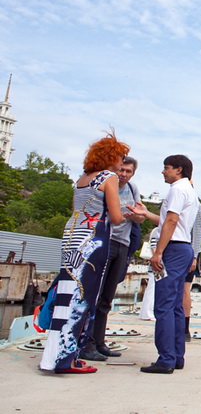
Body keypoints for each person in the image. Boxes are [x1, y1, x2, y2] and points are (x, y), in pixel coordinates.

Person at [39, 132, 129, 374]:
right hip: (93, 239)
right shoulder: (108, 177)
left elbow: (77, 210)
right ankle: (67, 359)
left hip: (72, 236)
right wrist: (132, 215)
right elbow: (116, 217)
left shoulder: (82, 179)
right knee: (84, 297)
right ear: (110, 157)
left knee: (65, 295)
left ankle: (53, 357)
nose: (122, 163)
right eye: (120, 157)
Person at [128, 154, 199, 374]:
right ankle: (176, 356)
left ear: (178, 169)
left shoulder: (177, 190)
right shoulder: (189, 191)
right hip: (183, 247)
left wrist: (158, 252)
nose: (163, 171)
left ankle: (165, 359)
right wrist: (146, 213)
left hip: (173, 249)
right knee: (175, 305)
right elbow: (170, 222)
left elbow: (171, 221)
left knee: (163, 306)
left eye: (166, 167)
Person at [81, 155, 145, 362]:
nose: (123, 174)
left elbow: (140, 216)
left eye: (128, 171)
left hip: (123, 244)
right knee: (95, 294)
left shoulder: (133, 189)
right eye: (121, 170)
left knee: (107, 297)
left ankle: (99, 342)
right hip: (105, 241)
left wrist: (136, 216)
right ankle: (86, 343)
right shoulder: (106, 183)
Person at [183, 201, 201, 342]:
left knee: (185, 289)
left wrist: (195, 256)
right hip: (172, 250)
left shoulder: (195, 204)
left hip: (186, 252)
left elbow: (197, 232)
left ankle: (184, 329)